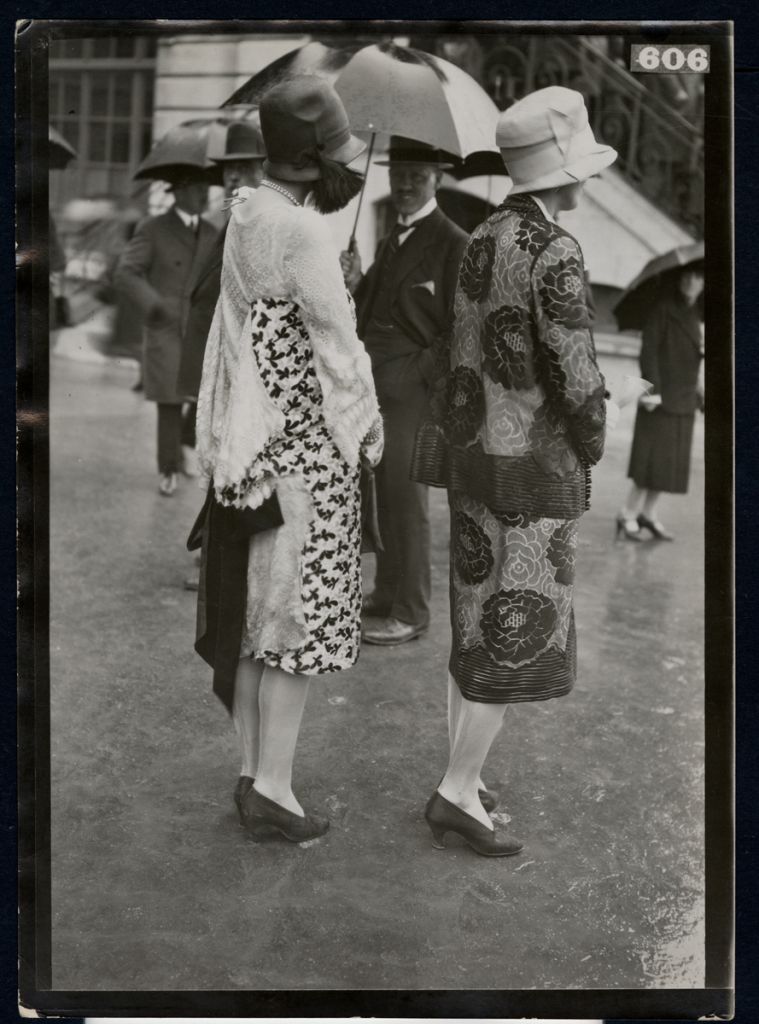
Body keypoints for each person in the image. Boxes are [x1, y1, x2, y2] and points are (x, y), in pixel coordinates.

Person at [411, 86, 616, 856]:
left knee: (476, 619)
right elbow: (574, 371)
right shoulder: (554, 249)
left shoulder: (481, 236)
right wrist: (592, 435)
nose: (586, 181)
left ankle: (461, 775)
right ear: (562, 172)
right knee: (514, 630)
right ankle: (457, 792)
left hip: (472, 459)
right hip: (531, 472)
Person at [194, 76, 382, 844]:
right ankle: (273, 787)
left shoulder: (247, 210)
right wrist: (367, 428)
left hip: (252, 452)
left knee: (255, 623)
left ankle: (252, 772)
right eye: (336, 152)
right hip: (305, 453)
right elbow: (338, 346)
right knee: (297, 630)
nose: (349, 166)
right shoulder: (303, 233)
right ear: (309, 160)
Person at [340, 136, 468, 646]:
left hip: (412, 392)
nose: (406, 184)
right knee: (381, 493)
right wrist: (352, 282)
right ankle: (387, 590)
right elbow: (371, 305)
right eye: (399, 175)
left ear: (437, 178)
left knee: (407, 498)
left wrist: (419, 371)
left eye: (418, 174)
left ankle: (413, 610)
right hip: (375, 386)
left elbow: (463, 327)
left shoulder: (453, 240)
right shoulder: (394, 235)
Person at [178, 118, 266, 591]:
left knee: (233, 465)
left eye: (245, 168)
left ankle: (221, 559)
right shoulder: (231, 222)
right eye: (229, 170)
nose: (233, 178)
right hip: (217, 367)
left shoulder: (255, 225)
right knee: (217, 463)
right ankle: (215, 552)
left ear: (262, 171)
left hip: (242, 368)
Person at [114, 170, 218, 496]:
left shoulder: (214, 232)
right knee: (171, 401)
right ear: (180, 191)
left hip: (201, 330)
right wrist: (154, 305)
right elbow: (126, 273)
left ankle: (182, 448)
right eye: (200, 188)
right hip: (167, 327)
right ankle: (168, 468)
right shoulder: (153, 228)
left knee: (199, 397)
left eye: (207, 188)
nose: (206, 195)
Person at [616, 261, 705, 542]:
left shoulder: (698, 315)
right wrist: (651, 391)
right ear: (679, 280)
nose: (692, 281)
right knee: (650, 462)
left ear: (704, 283)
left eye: (698, 277)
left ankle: (649, 515)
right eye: (688, 275)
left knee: (669, 465)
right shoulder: (663, 309)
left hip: (685, 398)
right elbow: (649, 352)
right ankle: (627, 513)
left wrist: (700, 389)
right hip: (661, 397)